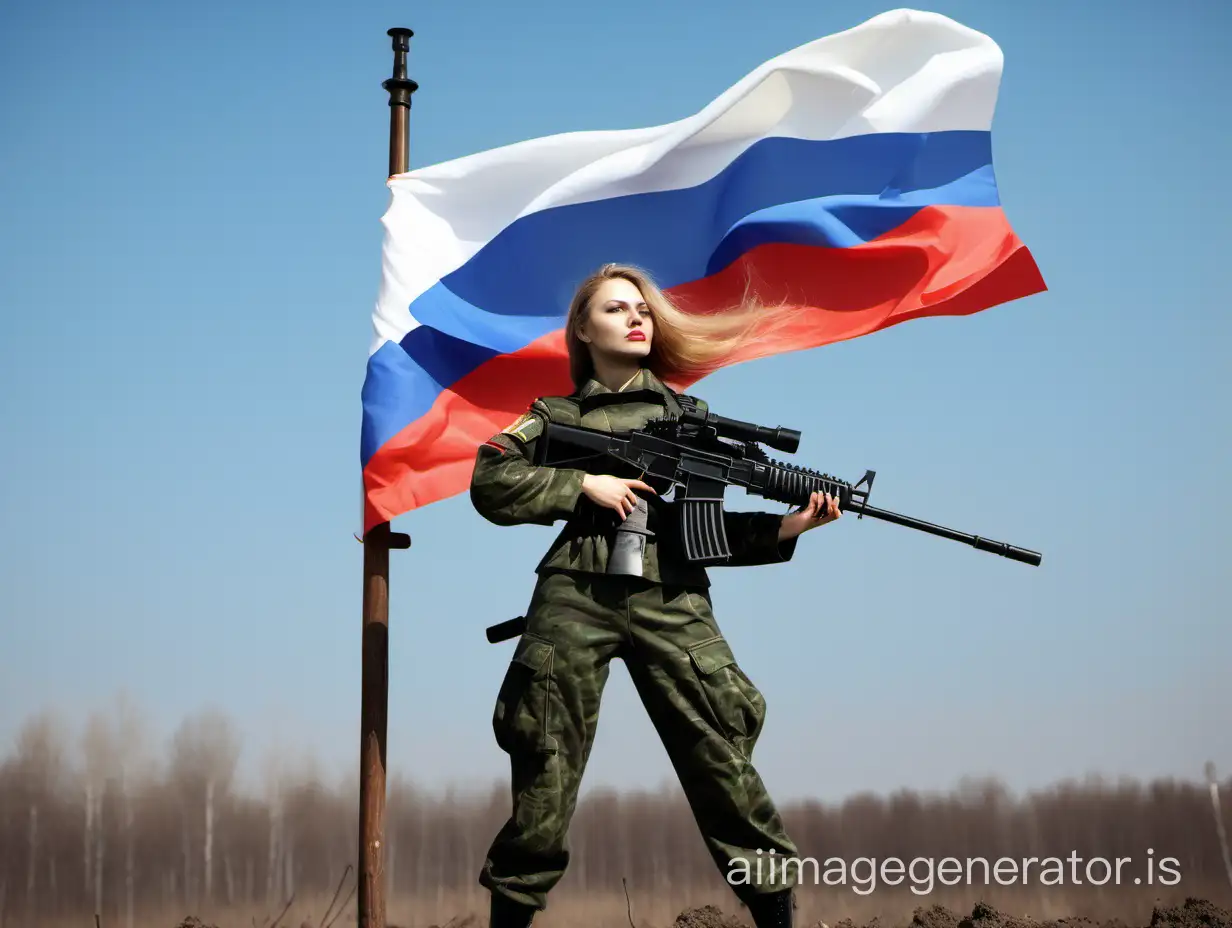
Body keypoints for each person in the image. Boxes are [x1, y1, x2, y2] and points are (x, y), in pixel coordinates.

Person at [469, 263, 842, 928]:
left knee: (721, 758)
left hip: (672, 594)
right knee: (544, 765)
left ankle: (777, 917)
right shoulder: (553, 418)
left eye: (641, 308)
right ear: (583, 329)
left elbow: (700, 536)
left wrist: (788, 526)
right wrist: (583, 487)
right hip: (575, 591)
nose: (636, 318)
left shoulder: (691, 420)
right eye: (614, 310)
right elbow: (492, 480)